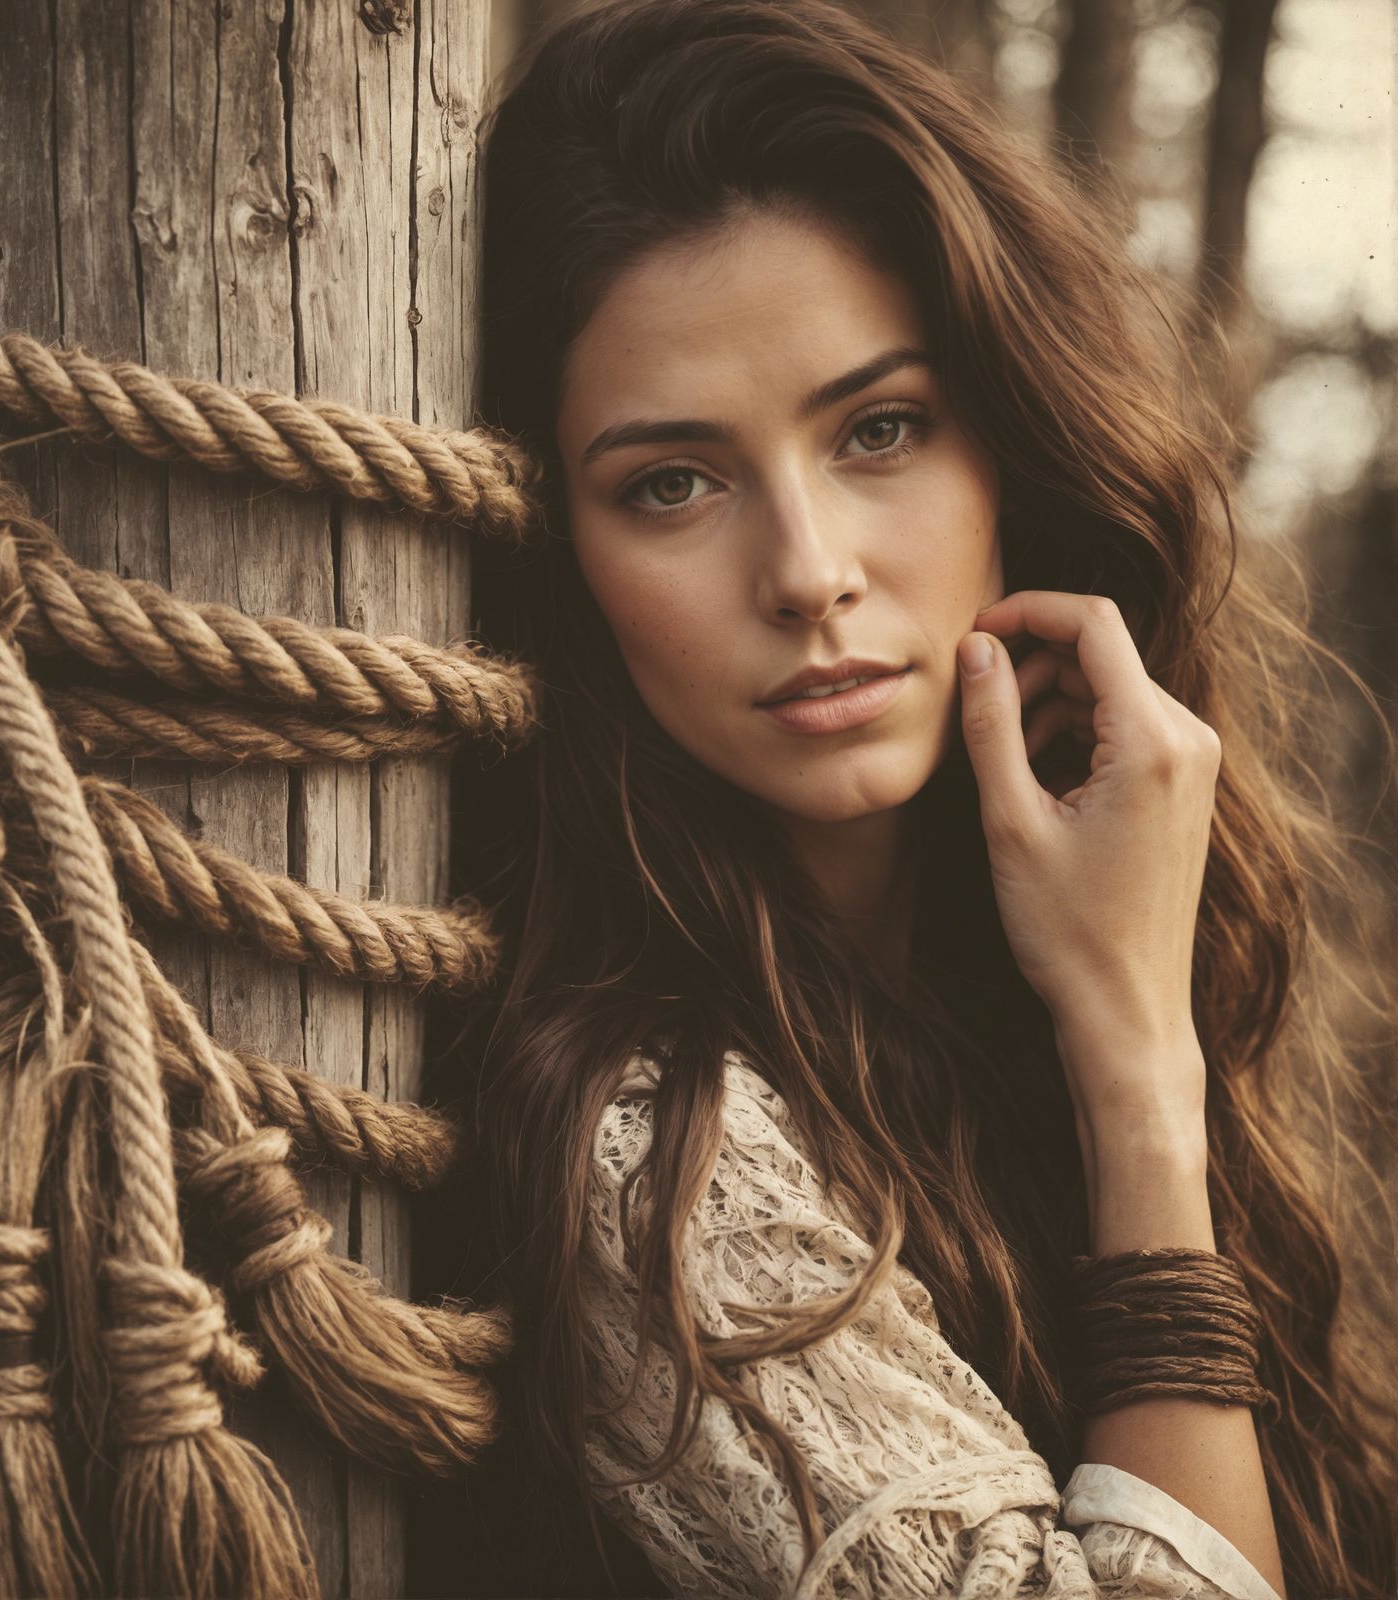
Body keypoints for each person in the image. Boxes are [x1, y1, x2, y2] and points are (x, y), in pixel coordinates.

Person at [445, 1, 1397, 1595]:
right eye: (670, 482)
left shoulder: (965, 1007)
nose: (811, 574)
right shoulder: (641, 1145)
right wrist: (1136, 1053)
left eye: (879, 429)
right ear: (559, 554)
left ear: (1010, 453)